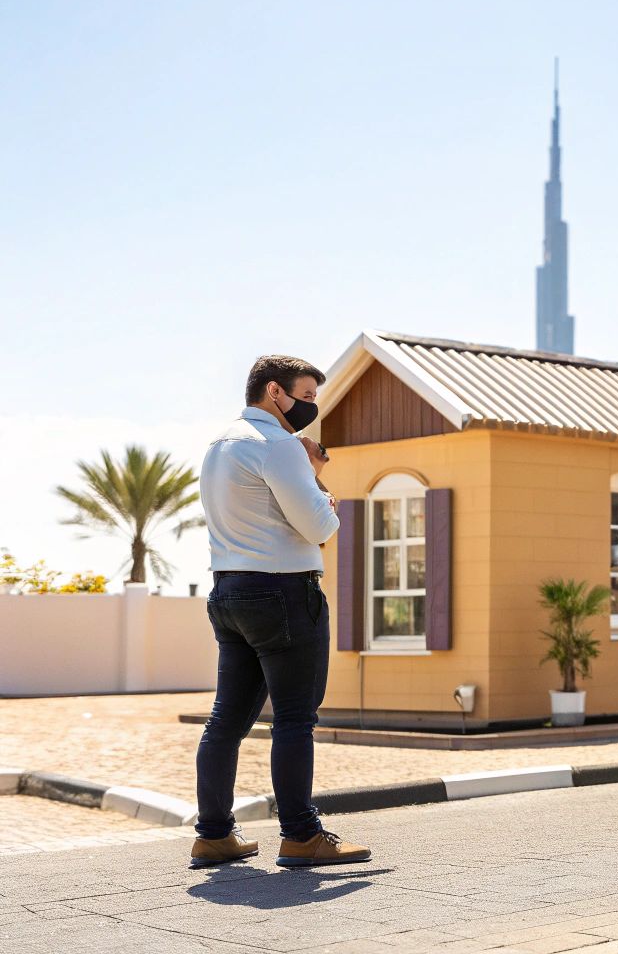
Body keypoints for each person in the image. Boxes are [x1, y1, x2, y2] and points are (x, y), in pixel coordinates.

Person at [190, 355, 371, 869]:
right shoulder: (280, 445)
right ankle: (301, 836)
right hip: (284, 594)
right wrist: (322, 487)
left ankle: (214, 834)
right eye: (307, 396)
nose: (312, 406)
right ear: (275, 392)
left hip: (229, 591)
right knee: (294, 718)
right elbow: (318, 527)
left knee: (226, 719)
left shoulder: (219, 444)